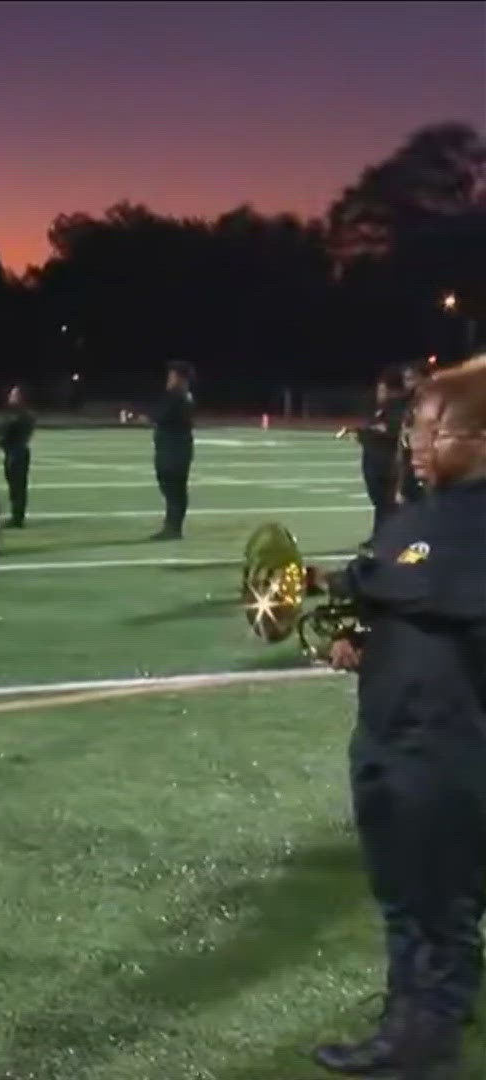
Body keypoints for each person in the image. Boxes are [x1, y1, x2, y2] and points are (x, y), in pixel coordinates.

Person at [316, 357, 485, 1080]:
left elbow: (429, 585)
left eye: (431, 427)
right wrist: (360, 635)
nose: (414, 441)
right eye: (414, 425)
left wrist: (359, 585)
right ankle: (411, 1020)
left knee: (437, 899)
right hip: (393, 730)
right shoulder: (421, 511)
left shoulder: (471, 520)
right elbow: (401, 590)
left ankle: (428, 1036)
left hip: (447, 742)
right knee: (404, 895)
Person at [123, 361, 196, 540]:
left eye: (172, 375)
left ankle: (173, 528)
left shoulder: (176, 395)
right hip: (178, 447)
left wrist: (136, 418)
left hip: (173, 448)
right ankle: (174, 526)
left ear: (180, 378)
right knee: (175, 488)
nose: (169, 379)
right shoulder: (185, 395)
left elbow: (159, 416)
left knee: (172, 487)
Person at [350, 367, 408, 542]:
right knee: (381, 504)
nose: (379, 393)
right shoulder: (379, 409)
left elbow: (393, 432)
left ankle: (390, 537)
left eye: (382, 389)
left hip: (388, 463)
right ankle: (380, 536)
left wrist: (370, 432)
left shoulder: (399, 408)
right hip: (374, 461)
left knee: (388, 504)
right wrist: (363, 433)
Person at [0, 384, 36, 529]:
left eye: (14, 394)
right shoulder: (14, 415)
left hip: (17, 453)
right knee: (14, 486)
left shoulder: (22, 416)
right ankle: (16, 516)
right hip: (12, 452)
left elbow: (5, 433)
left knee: (18, 487)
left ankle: (17, 518)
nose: (11, 396)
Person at [397, 360, 429, 507]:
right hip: (411, 461)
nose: (407, 383)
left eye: (410, 378)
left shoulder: (434, 401)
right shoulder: (410, 402)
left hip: (428, 463)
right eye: (405, 379)